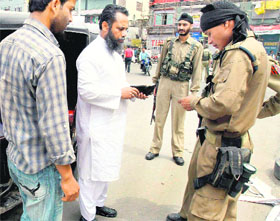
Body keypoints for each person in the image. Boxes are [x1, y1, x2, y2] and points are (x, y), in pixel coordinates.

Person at [166, 1, 270, 220]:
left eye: (211, 34)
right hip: (218, 137)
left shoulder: (240, 54)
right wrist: (254, 110)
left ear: (228, 24)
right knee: (211, 191)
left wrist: (195, 102)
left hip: (222, 143)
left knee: (208, 205)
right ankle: (185, 214)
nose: (210, 41)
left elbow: (224, 103)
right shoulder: (254, 48)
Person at [0, 0, 79, 220]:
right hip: (39, 168)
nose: (71, 17)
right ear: (54, 4)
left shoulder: (7, 44)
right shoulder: (49, 55)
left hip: (16, 158)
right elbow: (54, 124)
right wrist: (67, 175)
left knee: (30, 213)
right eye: (70, 9)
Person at [75, 4, 147, 221]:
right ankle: (87, 216)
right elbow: (86, 91)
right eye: (120, 29)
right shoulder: (89, 55)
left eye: (126, 29)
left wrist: (133, 92)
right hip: (95, 126)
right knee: (90, 173)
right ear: (105, 25)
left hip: (112, 123)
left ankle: (98, 204)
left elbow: (119, 83)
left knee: (105, 168)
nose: (124, 34)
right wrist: (120, 93)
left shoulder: (115, 54)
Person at [145, 13, 203, 166]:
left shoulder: (196, 47)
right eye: (179, 25)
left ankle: (177, 152)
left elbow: (197, 70)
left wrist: (194, 92)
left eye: (184, 25)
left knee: (179, 122)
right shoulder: (169, 42)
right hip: (165, 82)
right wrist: (155, 81)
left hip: (182, 86)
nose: (181, 28)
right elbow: (161, 62)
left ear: (190, 26)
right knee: (159, 118)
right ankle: (155, 148)